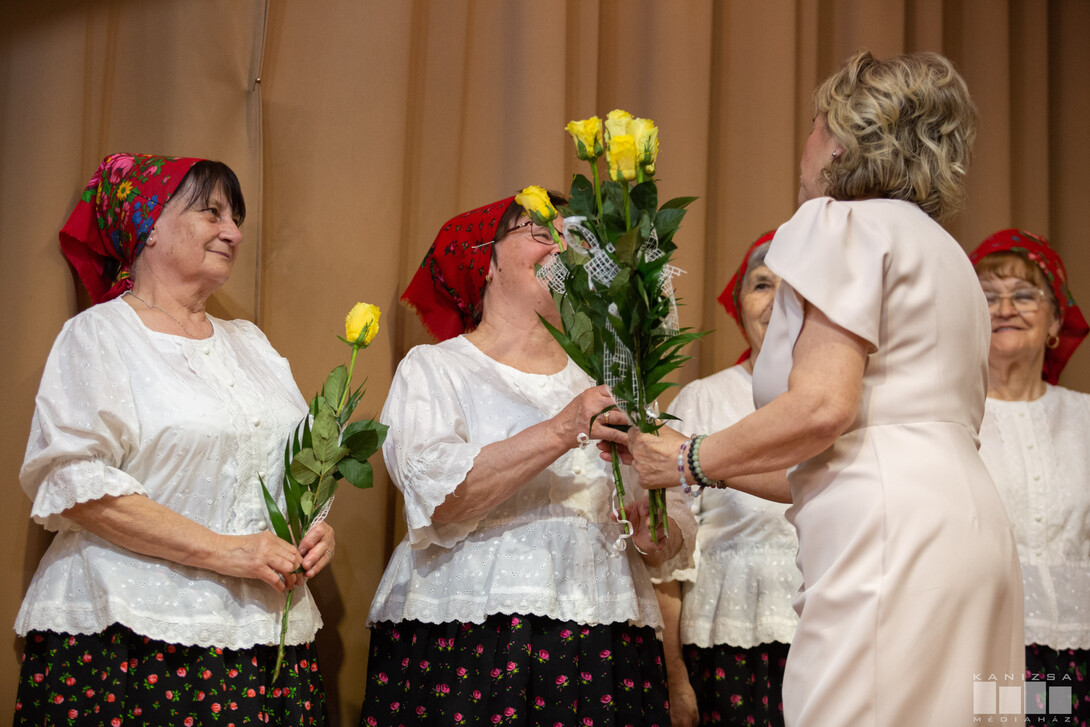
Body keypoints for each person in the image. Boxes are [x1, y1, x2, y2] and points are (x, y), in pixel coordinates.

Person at [601, 51, 1024, 725]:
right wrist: (698, 459)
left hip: (887, 537)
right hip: (970, 529)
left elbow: (825, 406)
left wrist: (686, 460)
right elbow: (842, 451)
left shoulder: (839, 221)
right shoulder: (946, 254)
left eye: (813, 123)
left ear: (839, 140)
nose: (805, 142)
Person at [15, 153, 333, 725]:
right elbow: (75, 485)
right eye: (212, 213)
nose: (233, 233)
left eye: (235, 218)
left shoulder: (252, 344)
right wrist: (230, 551)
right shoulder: (100, 335)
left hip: (264, 637)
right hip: (134, 639)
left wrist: (311, 528)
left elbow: (296, 462)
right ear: (149, 226)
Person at [359, 195, 696, 727]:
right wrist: (563, 429)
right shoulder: (437, 368)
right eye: (541, 231)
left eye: (572, 235)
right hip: (472, 635)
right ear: (486, 261)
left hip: (605, 637)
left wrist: (655, 531)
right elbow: (439, 499)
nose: (562, 245)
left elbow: (667, 527)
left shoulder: (613, 377)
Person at [655, 231, 798, 727]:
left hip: (837, 637)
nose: (777, 299)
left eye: (795, 284)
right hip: (728, 649)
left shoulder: (852, 403)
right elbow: (666, 558)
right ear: (738, 307)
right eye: (762, 284)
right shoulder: (702, 401)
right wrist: (675, 676)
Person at [970, 229, 1090, 722]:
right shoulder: (950, 419)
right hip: (985, 648)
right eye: (987, 297)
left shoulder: (1085, 418)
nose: (1004, 309)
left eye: (1023, 295)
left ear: (1056, 319)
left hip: (1080, 648)